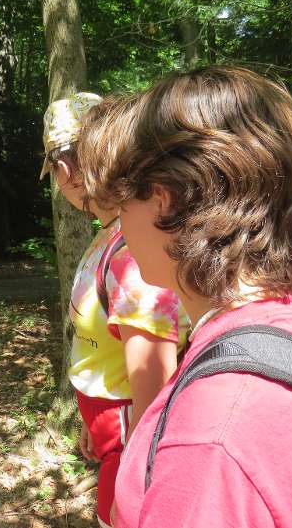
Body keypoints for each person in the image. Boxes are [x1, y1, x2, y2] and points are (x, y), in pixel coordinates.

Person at [77, 66, 292, 528]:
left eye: (122, 203)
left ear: (163, 200)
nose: (120, 224)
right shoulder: (289, 327)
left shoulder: (212, 439)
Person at [40, 93, 188, 528]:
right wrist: (95, 423)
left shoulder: (131, 252)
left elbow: (153, 379)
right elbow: (107, 348)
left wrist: (137, 471)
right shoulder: (110, 235)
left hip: (133, 442)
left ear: (64, 168)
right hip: (114, 431)